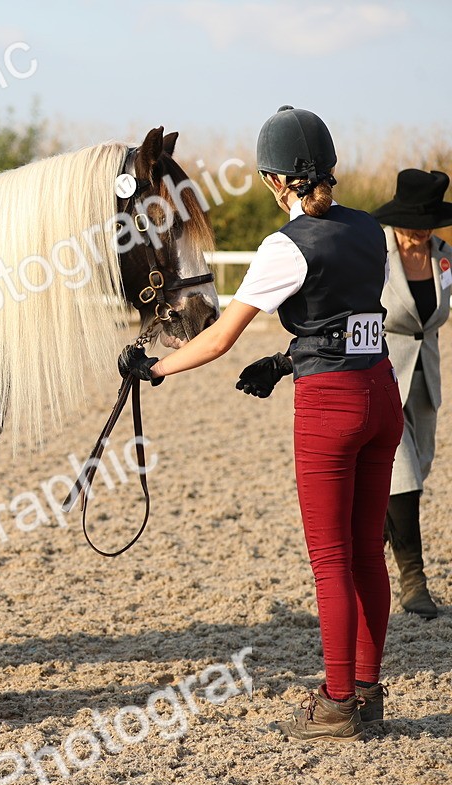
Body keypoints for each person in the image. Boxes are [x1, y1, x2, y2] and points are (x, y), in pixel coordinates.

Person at [118, 106, 403, 742]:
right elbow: (349, 320)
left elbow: (219, 338)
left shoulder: (285, 245)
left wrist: (156, 368)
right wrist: (285, 358)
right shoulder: (370, 231)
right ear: (330, 167)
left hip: (330, 406)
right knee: (364, 555)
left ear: (276, 181)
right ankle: (366, 690)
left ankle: (334, 704)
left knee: (329, 560)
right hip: (382, 395)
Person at [372, 169, 452, 620]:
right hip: (382, 373)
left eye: (428, 222)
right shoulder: (375, 251)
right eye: (413, 222)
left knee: (415, 470)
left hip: (426, 380)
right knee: (404, 479)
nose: (420, 232)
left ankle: (363, 549)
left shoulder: (445, 258)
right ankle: (413, 582)